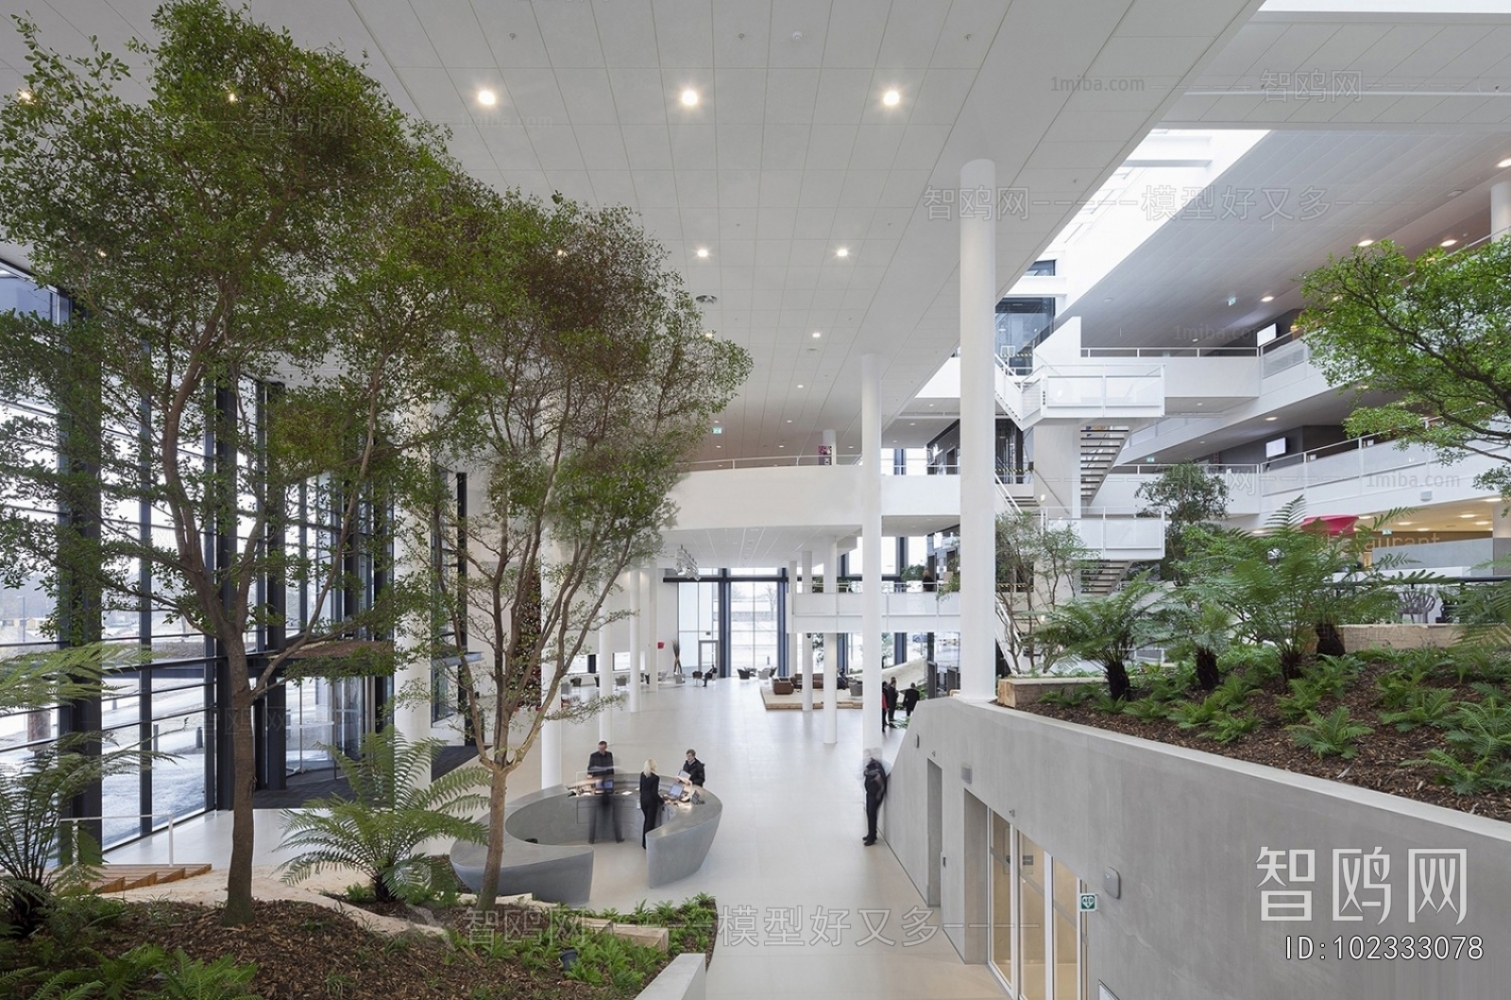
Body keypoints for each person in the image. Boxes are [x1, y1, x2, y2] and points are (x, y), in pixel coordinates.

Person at [587, 740, 622, 844]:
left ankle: (617, 838)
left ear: (605, 748)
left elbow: (611, 770)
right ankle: (592, 839)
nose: (601, 750)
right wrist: (590, 779)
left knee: (613, 814)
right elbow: (590, 769)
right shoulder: (593, 756)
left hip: (607, 783)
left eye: (603, 749)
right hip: (599, 783)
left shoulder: (609, 755)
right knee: (597, 815)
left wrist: (613, 783)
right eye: (600, 749)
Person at [862, 755, 888, 846]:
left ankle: (872, 837)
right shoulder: (873, 768)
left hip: (874, 796)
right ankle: (871, 834)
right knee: (870, 814)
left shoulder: (877, 771)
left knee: (872, 814)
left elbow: (881, 784)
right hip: (870, 794)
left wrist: (878, 795)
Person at [639, 759, 663, 848]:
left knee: (646, 821)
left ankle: (644, 842)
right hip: (651, 802)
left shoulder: (642, 775)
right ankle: (648, 844)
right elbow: (654, 793)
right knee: (650, 823)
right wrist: (663, 801)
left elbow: (641, 789)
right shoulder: (655, 778)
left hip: (643, 800)